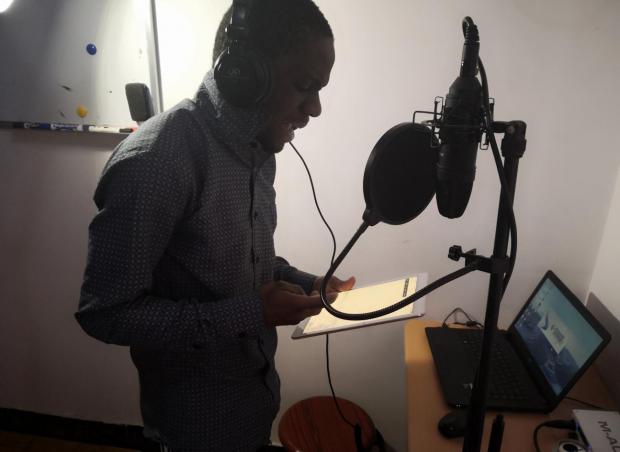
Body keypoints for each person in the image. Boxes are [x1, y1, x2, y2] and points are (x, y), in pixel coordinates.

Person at [75, 0, 355, 451]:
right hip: (196, 430)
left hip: (253, 408)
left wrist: (308, 283)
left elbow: (239, 258)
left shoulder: (260, 151)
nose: (316, 108)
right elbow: (104, 313)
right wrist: (254, 312)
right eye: (305, 86)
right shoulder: (156, 162)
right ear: (244, 75)